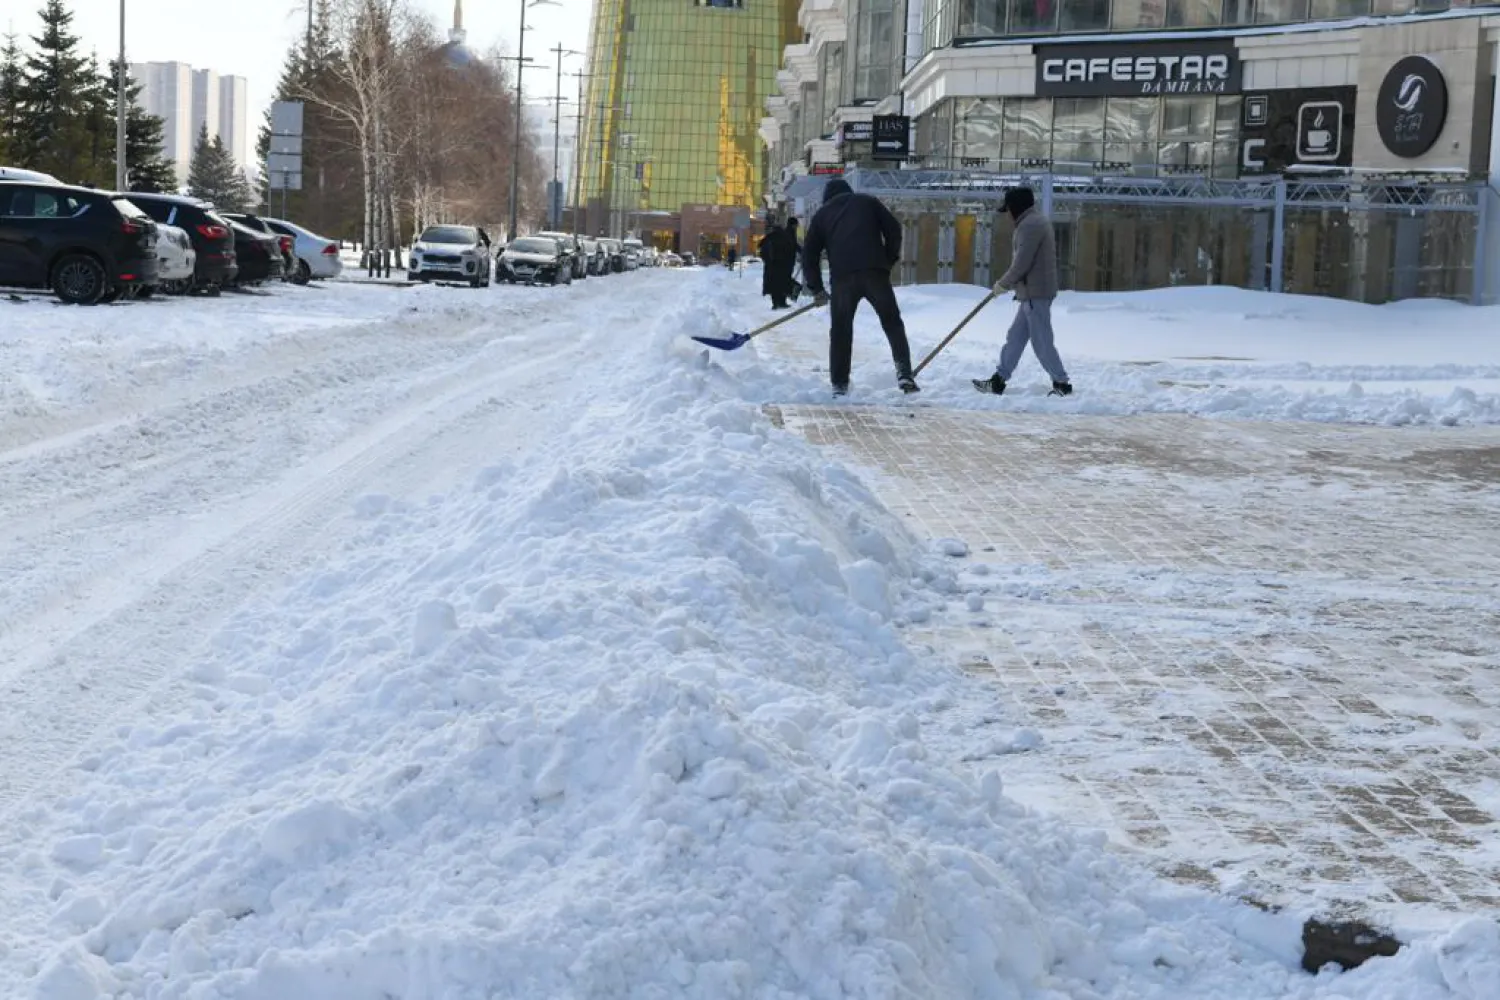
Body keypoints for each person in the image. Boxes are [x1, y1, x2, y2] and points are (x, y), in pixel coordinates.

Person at [800, 178, 918, 396]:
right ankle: (904, 373)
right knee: (892, 323)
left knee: (841, 331)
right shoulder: (867, 201)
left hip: (843, 278)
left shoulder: (822, 215)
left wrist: (816, 288)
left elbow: (809, 256)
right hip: (874, 273)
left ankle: (839, 384)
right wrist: (887, 260)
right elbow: (893, 229)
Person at [973, 186, 1072, 397]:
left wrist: (1003, 284)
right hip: (1029, 293)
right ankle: (998, 380)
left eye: (1008, 209)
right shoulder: (1031, 222)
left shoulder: (1031, 226)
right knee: (1015, 338)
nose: (1007, 214)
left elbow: (1022, 263)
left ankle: (1061, 384)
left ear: (1015, 207)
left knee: (1041, 341)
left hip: (1036, 293)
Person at [765, 218, 799, 309]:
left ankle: (780, 302)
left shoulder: (788, 233)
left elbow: (794, 246)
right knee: (782, 282)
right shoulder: (788, 234)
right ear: (792, 225)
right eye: (796, 225)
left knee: (782, 282)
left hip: (784, 263)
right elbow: (792, 247)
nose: (797, 227)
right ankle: (779, 302)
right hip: (784, 264)